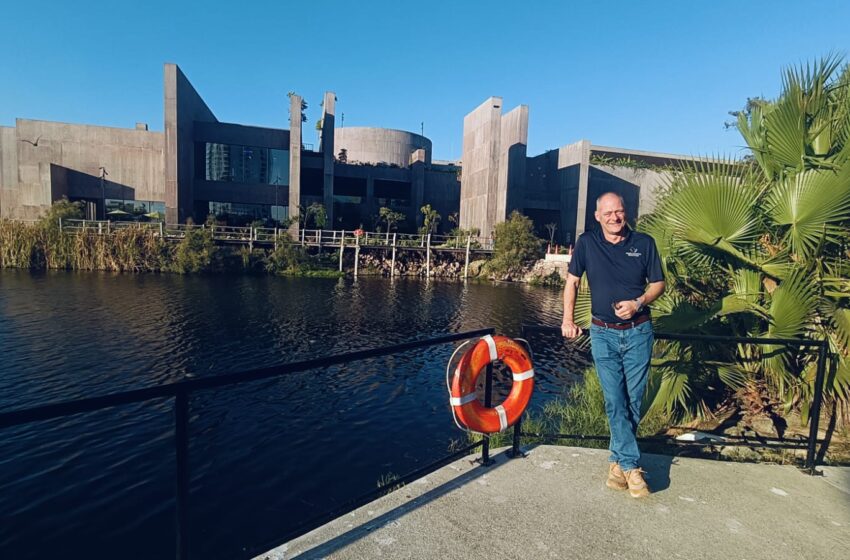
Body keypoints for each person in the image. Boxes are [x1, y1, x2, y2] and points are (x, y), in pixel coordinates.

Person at [561, 192, 665, 498]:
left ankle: (617, 465)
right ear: (597, 216)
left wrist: (638, 302)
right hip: (603, 333)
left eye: (618, 212)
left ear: (626, 212)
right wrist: (568, 320)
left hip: (639, 332)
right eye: (607, 213)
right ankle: (633, 468)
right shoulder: (587, 243)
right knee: (614, 400)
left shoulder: (644, 243)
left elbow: (658, 283)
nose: (614, 218)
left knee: (632, 401)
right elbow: (572, 282)